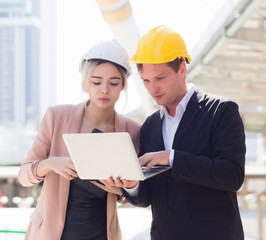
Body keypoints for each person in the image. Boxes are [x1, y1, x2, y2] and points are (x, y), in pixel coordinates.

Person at [103, 25, 247, 240]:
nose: (153, 88)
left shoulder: (221, 111)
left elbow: (232, 176)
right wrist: (132, 185)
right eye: (146, 81)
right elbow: (148, 197)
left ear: (182, 69)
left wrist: (172, 158)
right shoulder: (150, 126)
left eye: (160, 78)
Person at [18, 39, 140, 240]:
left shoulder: (132, 131)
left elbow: (132, 192)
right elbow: (24, 175)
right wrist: (51, 164)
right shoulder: (56, 116)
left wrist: (119, 189)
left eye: (114, 83)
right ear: (85, 82)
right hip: (50, 234)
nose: (104, 89)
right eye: (96, 81)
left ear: (124, 85)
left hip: (101, 233)